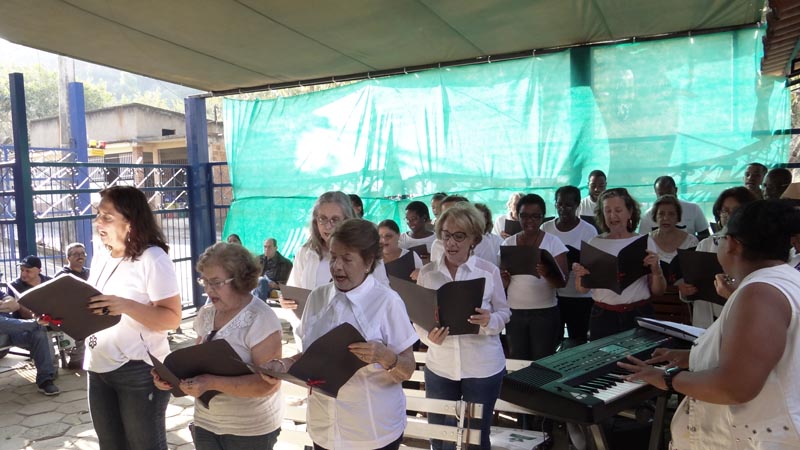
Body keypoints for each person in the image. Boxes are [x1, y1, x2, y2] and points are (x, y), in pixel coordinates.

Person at [620, 200, 800, 449]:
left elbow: (735, 387)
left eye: (721, 238)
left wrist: (667, 379)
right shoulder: (785, 279)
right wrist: (692, 357)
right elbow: (763, 356)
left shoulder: (759, 293)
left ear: (732, 244)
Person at [264, 219, 417, 450]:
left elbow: (407, 369)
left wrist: (385, 357)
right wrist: (283, 364)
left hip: (371, 433)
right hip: (324, 429)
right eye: (333, 257)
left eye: (347, 259)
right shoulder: (317, 297)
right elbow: (310, 355)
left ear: (368, 262)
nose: (336, 266)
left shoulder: (387, 301)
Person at [153, 242, 283, 450]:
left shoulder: (261, 318)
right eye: (204, 281)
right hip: (206, 423)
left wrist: (211, 382)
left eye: (215, 282)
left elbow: (268, 384)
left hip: (249, 430)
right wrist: (171, 379)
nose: (208, 289)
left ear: (240, 280)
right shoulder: (207, 314)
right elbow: (197, 364)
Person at [85, 185, 182, 450]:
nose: (98, 222)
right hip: (97, 364)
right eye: (98, 215)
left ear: (130, 222)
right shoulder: (102, 255)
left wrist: (126, 305)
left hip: (138, 369)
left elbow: (172, 318)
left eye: (107, 217)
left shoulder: (153, 258)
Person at [417, 203, 511, 450]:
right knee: (440, 437)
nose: (451, 242)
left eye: (459, 236)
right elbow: (418, 320)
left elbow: (504, 313)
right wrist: (428, 337)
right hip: (441, 366)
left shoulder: (488, 272)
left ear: (474, 239)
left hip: (482, 367)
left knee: (476, 438)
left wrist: (489, 321)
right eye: (446, 235)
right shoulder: (428, 274)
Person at [572, 188, 666, 340]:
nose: (612, 216)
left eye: (618, 210)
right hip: (603, 316)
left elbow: (659, 291)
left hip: (638, 313)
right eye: (607, 211)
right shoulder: (595, 243)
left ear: (630, 212)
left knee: (642, 355)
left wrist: (656, 271)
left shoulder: (644, 242)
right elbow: (582, 289)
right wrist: (579, 275)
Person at [677, 187, 756, 327]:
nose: (729, 216)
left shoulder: (758, 247)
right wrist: (686, 291)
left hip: (742, 320)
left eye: (736, 210)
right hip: (709, 321)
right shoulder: (706, 244)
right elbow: (693, 285)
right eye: (725, 211)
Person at [501, 194, 567, 360]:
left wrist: (547, 273)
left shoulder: (553, 242)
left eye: (535, 216)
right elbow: (501, 284)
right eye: (524, 215)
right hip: (514, 312)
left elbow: (562, 282)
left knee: (543, 360)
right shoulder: (508, 243)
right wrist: (505, 280)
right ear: (517, 216)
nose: (529, 220)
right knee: (517, 360)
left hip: (544, 313)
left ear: (543, 217)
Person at [542, 186, 598, 346]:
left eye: (568, 205)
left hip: (580, 297)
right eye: (559, 204)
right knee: (552, 341)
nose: (563, 209)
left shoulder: (588, 231)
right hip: (553, 295)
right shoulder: (546, 228)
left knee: (578, 342)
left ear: (577, 205)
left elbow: (592, 265)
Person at [0, 255, 60, 395]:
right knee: (35, 326)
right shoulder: (16, 284)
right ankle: (35, 324)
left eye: (27, 270)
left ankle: (45, 380)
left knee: (38, 333)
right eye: (22, 270)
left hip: (12, 332)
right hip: (7, 330)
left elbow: (13, 305)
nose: (23, 274)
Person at [54, 242, 90, 369]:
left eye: (82, 253)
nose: (80, 256)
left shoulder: (89, 273)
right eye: (76, 254)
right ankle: (76, 357)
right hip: (69, 313)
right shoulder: (62, 275)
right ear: (68, 258)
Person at [639, 176, 710, 240]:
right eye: (661, 194)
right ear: (656, 193)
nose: (665, 197)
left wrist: (686, 242)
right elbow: (643, 241)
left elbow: (706, 237)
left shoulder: (693, 209)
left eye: (668, 193)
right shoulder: (647, 216)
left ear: (675, 190)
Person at [648, 195, 699, 270]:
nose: (666, 218)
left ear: (678, 217)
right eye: (661, 214)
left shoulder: (691, 241)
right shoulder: (647, 241)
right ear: (655, 216)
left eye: (671, 214)